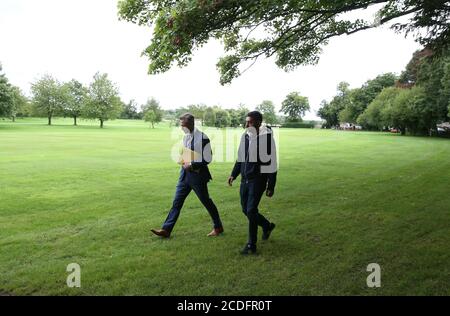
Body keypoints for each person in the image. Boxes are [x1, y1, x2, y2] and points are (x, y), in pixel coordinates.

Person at [151, 113, 224, 238]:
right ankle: (166, 230)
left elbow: (208, 158)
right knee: (176, 202)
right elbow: (188, 153)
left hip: (198, 177)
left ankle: (218, 227)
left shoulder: (202, 137)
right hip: (184, 176)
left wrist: (192, 165)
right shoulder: (185, 137)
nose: (181, 127)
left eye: (183, 125)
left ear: (190, 123)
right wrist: (183, 159)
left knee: (206, 202)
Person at [228, 111, 278, 255]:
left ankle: (251, 245)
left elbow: (272, 162)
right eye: (246, 122)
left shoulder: (267, 139)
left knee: (251, 210)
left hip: (258, 180)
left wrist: (271, 186)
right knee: (246, 209)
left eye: (249, 122)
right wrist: (233, 174)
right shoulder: (246, 136)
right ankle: (267, 225)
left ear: (258, 122)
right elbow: (240, 158)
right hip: (245, 179)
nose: (246, 124)